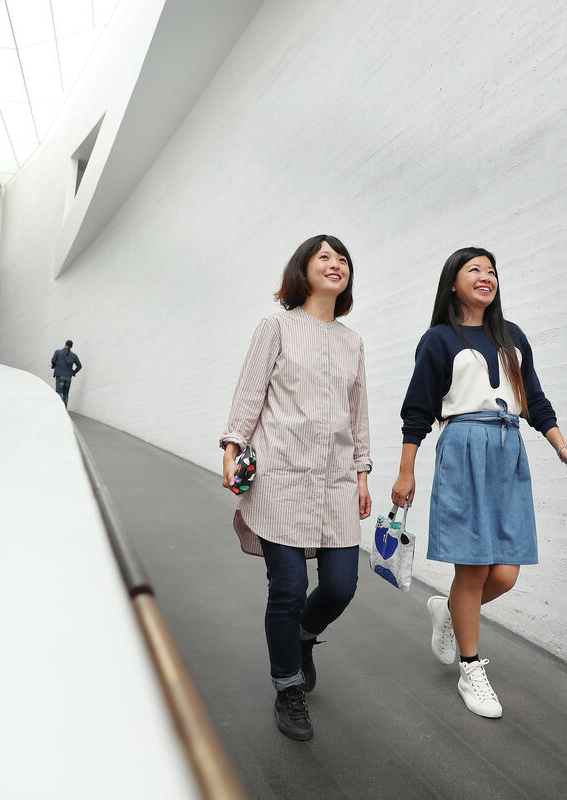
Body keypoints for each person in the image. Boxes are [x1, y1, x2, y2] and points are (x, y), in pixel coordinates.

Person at [392, 246, 567, 719]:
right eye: (474, 270)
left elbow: (534, 400)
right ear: (453, 282)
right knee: (474, 569)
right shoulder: (438, 339)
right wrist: (406, 469)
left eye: (492, 271)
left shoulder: (513, 337)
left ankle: (449, 611)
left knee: (505, 572)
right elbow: (418, 408)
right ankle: (470, 668)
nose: (486, 277)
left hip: (508, 450)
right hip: (463, 448)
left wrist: (561, 446)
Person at [220, 234, 373, 742]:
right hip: (280, 475)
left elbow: (359, 413)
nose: (336, 264)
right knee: (286, 588)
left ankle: (304, 637)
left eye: (342, 259)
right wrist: (232, 445)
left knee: (339, 586)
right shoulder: (276, 327)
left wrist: (363, 473)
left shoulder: (354, 342)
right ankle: (288, 687)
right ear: (302, 270)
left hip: (335, 483)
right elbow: (250, 391)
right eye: (324, 257)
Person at [50, 340, 82, 406]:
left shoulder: (58, 352)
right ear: (71, 346)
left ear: (65, 344)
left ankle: (60, 408)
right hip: (68, 376)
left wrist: (54, 365)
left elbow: (53, 360)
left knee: (59, 392)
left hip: (60, 375)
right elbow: (79, 366)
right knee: (66, 394)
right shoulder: (74, 355)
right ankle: (64, 409)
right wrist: (73, 372)